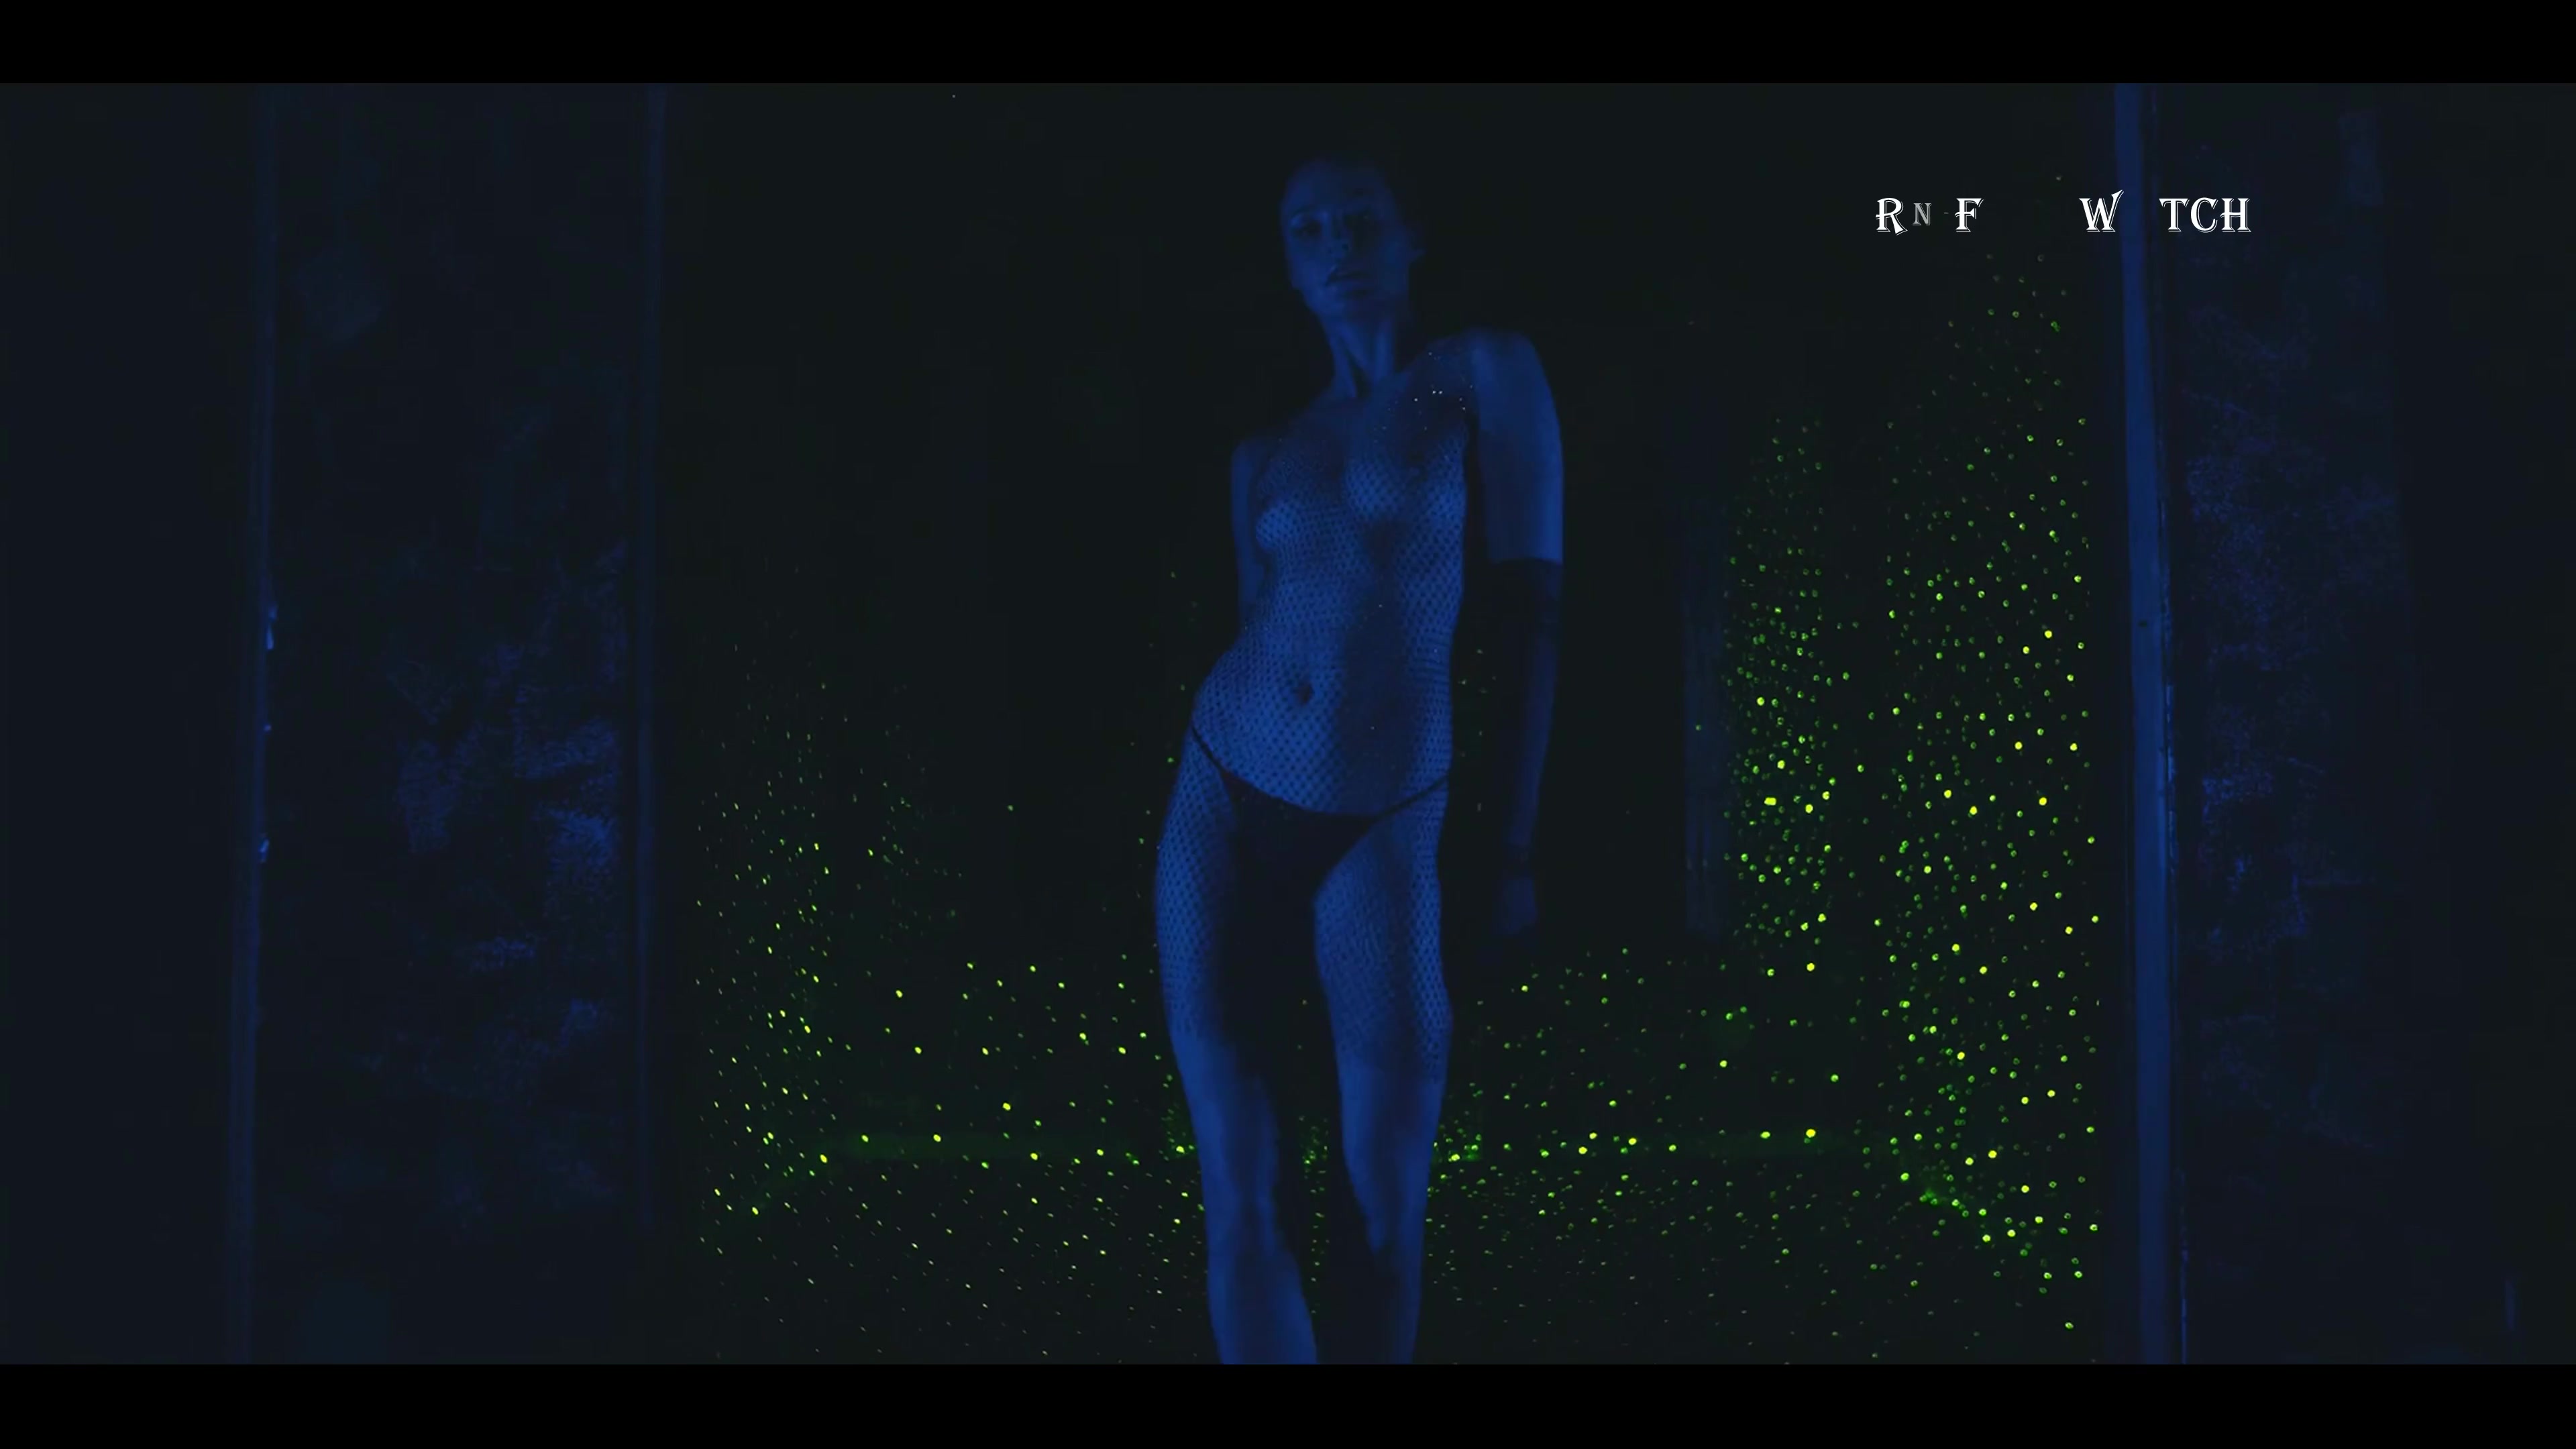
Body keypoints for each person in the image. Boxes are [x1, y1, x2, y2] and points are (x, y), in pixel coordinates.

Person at [1153, 151, 1564, 1364]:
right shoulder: (1265, 451)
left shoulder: (1482, 370)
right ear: (1286, 264)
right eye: (1308, 229)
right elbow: (1261, 619)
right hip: (1220, 794)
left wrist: (1514, 848)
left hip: (1384, 815)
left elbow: (1536, 612)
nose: (1336, 244)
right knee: (1239, 1196)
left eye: (1359, 220)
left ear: (1410, 234)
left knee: (1385, 1211)